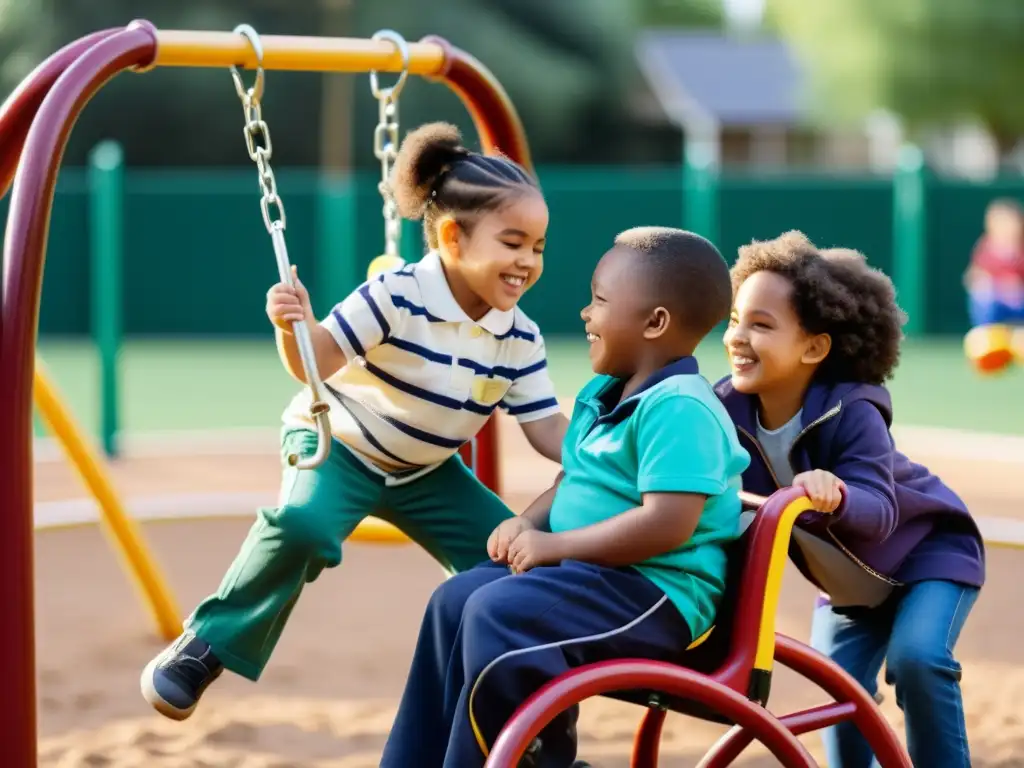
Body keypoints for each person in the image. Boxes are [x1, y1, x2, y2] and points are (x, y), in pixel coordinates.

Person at [140, 122, 569, 721]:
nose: (527, 261)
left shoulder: (519, 335)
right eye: (513, 242)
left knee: (515, 562)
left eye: (538, 248)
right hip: (339, 442)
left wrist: (607, 451)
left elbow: (547, 428)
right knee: (306, 527)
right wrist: (293, 325)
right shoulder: (397, 293)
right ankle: (206, 643)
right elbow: (314, 365)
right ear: (452, 236)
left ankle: (539, 722)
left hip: (426, 471)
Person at [379, 227, 751, 768]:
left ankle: (517, 760)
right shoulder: (607, 394)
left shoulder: (680, 407)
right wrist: (530, 523)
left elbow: (667, 523)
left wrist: (556, 548)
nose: (585, 313)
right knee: (455, 600)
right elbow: (573, 480)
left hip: (652, 592)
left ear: (655, 322)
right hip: (596, 578)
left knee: (496, 613)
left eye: (599, 300)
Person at [717, 231, 985, 767]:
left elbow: (879, 511)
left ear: (815, 347)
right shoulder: (726, 410)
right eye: (734, 320)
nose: (738, 338)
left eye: (761, 325)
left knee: (918, 659)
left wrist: (836, 495)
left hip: (929, 558)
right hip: (849, 590)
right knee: (837, 693)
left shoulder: (851, 410)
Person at [963, 198, 1024, 328]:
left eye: (1010, 222)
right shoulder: (985, 247)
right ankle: (987, 332)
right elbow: (971, 276)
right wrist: (993, 284)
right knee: (983, 293)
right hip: (997, 303)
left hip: (1020, 304)